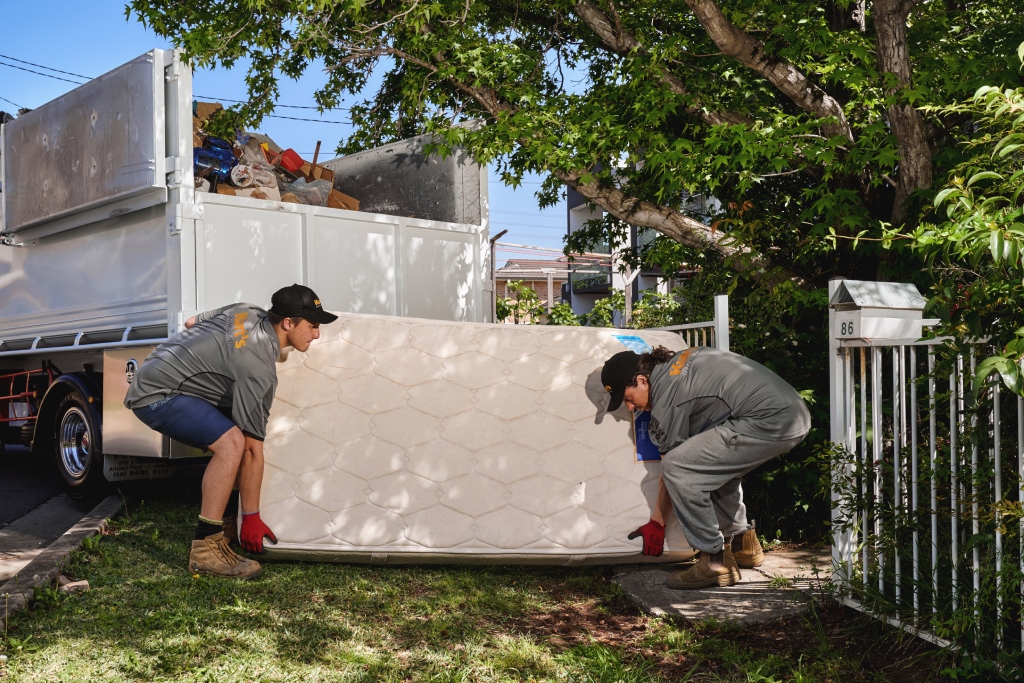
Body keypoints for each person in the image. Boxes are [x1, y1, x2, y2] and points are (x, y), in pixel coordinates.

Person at [125, 284, 338, 579]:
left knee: (235, 431)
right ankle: (205, 549)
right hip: (156, 395)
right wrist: (252, 518)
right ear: (288, 323)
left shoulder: (246, 311)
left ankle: (226, 521)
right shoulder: (258, 369)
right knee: (233, 443)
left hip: (153, 371)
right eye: (312, 326)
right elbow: (251, 449)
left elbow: (191, 324)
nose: (316, 334)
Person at [602, 345, 810, 589]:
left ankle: (714, 561)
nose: (629, 407)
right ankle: (744, 545)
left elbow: (673, 468)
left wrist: (657, 521)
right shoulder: (680, 360)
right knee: (708, 465)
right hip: (791, 414)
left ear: (641, 380)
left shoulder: (668, 398)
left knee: (678, 466)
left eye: (627, 398)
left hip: (769, 421)